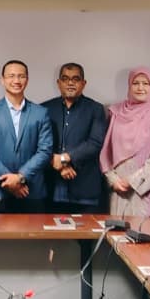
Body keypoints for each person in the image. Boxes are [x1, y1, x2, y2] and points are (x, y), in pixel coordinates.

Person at [0, 60, 53, 213]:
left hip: (31, 190)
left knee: (32, 229)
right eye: (11, 76)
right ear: (2, 80)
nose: (16, 80)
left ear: (27, 80)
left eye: (21, 76)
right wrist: (9, 181)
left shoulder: (41, 113)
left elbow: (45, 151)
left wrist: (20, 177)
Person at [99, 67, 150, 218]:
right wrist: (113, 180)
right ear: (129, 85)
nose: (140, 88)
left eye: (146, 83)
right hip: (118, 190)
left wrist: (132, 181)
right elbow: (106, 152)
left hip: (144, 191)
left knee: (143, 230)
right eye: (136, 83)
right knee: (117, 229)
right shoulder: (116, 112)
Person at [41, 62, 107, 214]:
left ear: (83, 83)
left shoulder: (95, 109)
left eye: (75, 79)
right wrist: (57, 163)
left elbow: (95, 143)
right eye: (65, 79)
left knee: (87, 230)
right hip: (52, 187)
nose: (70, 83)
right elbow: (39, 144)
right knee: (51, 229)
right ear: (59, 83)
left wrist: (64, 159)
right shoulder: (44, 109)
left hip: (84, 188)